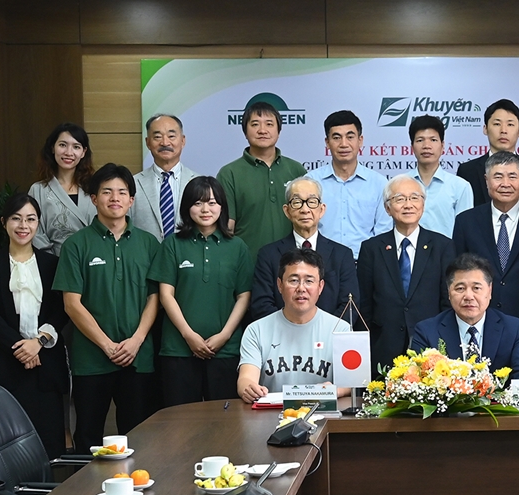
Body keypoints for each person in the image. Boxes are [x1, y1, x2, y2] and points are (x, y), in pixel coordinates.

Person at [53, 163, 160, 452]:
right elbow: (71, 304)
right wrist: (107, 345)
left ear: (131, 200)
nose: (115, 198)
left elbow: (155, 298)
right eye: (107, 191)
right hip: (91, 360)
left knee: (139, 438)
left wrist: (136, 340)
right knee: (88, 437)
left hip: (138, 357)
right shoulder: (76, 245)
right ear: (94, 198)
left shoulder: (149, 244)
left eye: (122, 192)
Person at [453, 152, 519, 377]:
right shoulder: (466, 221)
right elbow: (456, 277)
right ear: (486, 180)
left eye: (512, 176)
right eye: (498, 176)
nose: (505, 183)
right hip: (479, 324)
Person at [0, 194, 69, 458]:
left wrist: (38, 343)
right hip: (4, 364)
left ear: (38, 223)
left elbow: (61, 310)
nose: (23, 226)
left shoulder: (51, 264)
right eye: (16, 218)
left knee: (49, 444)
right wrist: (21, 348)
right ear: (4, 222)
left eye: (30, 219)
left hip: (45, 365)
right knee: (5, 446)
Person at [147, 177, 254, 407]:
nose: (205, 209)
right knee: (180, 420)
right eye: (198, 203)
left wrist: (225, 335)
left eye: (212, 203)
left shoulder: (237, 247)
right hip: (178, 349)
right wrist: (189, 335)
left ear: (222, 207)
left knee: (225, 420)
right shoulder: (172, 244)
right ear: (187, 207)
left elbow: (243, 296)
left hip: (225, 351)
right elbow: (166, 295)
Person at [357, 174, 455, 375]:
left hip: (431, 347)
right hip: (383, 347)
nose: (408, 205)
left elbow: (447, 302)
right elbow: (364, 305)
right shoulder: (371, 249)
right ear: (387, 208)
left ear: (423, 204)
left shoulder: (443, 246)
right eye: (399, 199)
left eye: (414, 198)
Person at [237, 248, 352, 401]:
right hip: (271, 413)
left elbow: (351, 383)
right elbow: (246, 378)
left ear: (320, 287)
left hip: (323, 410)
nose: (301, 288)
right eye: (294, 280)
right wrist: (249, 388)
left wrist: (334, 390)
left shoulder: (341, 330)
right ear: (279, 285)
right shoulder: (256, 330)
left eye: (309, 281)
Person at [411, 253, 519, 380]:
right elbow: (417, 381)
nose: (469, 296)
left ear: (490, 290)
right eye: (460, 288)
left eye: (476, 288)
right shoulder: (427, 332)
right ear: (449, 292)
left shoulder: (513, 329)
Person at [250, 177, 358, 321]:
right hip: (282, 334)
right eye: (297, 202)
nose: (305, 209)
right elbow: (262, 305)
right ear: (287, 211)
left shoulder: (342, 255)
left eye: (312, 202)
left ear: (322, 209)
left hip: (330, 334)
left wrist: (325, 331)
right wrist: (292, 329)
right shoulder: (268, 255)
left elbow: (349, 305)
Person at [216, 101, 306, 265]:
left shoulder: (296, 170)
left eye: (269, 124)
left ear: (279, 131)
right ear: (245, 131)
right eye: (255, 124)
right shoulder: (229, 173)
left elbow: (307, 221)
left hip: (293, 266)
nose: (262, 130)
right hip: (247, 265)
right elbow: (227, 228)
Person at [306, 110, 391, 259]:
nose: (344, 144)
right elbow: (305, 227)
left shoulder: (379, 183)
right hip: (320, 263)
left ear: (360, 140)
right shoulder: (310, 182)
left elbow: (383, 233)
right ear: (327, 142)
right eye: (336, 138)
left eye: (350, 137)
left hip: (365, 263)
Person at [456, 99, 519, 207]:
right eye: (497, 124)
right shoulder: (467, 171)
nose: (503, 130)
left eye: (510, 124)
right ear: (485, 129)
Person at [28, 122, 97, 255]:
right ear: (53, 148)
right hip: (56, 262)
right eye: (62, 145)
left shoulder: (95, 187)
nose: (69, 152)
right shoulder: (38, 190)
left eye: (76, 147)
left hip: (95, 261)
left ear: (83, 152)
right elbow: (36, 233)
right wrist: (53, 261)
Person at [131, 114, 200, 242]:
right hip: (147, 253)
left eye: (171, 136)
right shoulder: (133, 184)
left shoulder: (198, 183)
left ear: (183, 141)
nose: (165, 142)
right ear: (148, 142)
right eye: (157, 137)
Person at [408, 114, 473, 237]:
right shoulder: (401, 184)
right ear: (412, 147)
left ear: (442, 146)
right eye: (420, 140)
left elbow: (466, 231)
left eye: (433, 140)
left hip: (447, 249)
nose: (426, 146)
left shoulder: (460, 187)